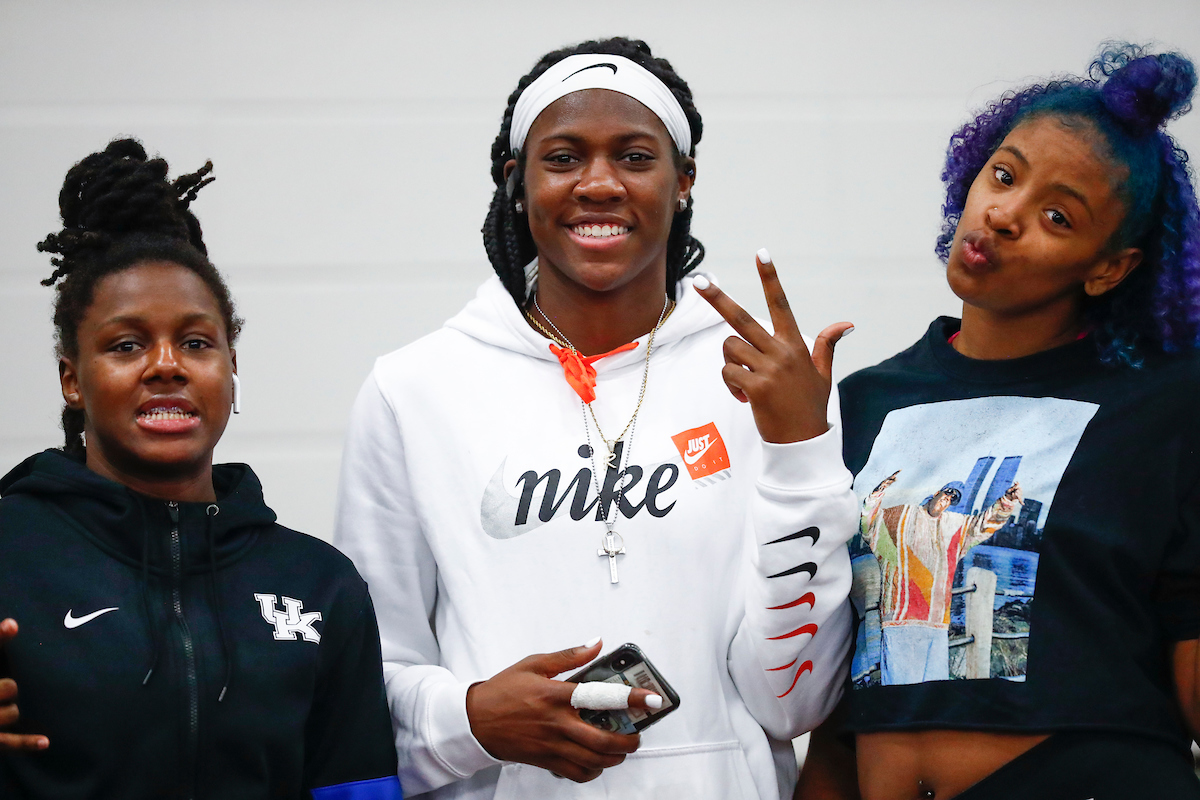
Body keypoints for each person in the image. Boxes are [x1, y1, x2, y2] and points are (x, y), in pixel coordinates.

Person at [334, 37, 858, 800]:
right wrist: (473, 719)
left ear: (684, 182)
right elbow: (366, 683)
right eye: (564, 157)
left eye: (636, 158)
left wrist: (800, 452)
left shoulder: (765, 383)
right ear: (516, 182)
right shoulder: (414, 390)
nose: (600, 184)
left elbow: (795, 702)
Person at [796, 44, 1200, 800]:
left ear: (1109, 266)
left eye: (1056, 215)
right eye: (1004, 176)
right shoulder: (869, 401)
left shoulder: (1169, 405)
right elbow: (852, 660)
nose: (1005, 215)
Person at [0, 139, 402, 799]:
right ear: (72, 380)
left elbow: (356, 791)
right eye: (127, 345)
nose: (166, 365)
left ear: (231, 368)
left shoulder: (319, 584)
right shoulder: (12, 553)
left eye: (195, 342)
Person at [860, 474, 1021, 685]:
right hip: (899, 620)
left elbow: (983, 525)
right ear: (937, 493)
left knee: (933, 689)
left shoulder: (954, 525)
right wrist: (877, 493)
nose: (946, 501)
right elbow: (868, 525)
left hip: (936, 622)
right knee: (898, 688)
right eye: (946, 494)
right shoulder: (900, 516)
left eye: (952, 500)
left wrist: (1006, 501)